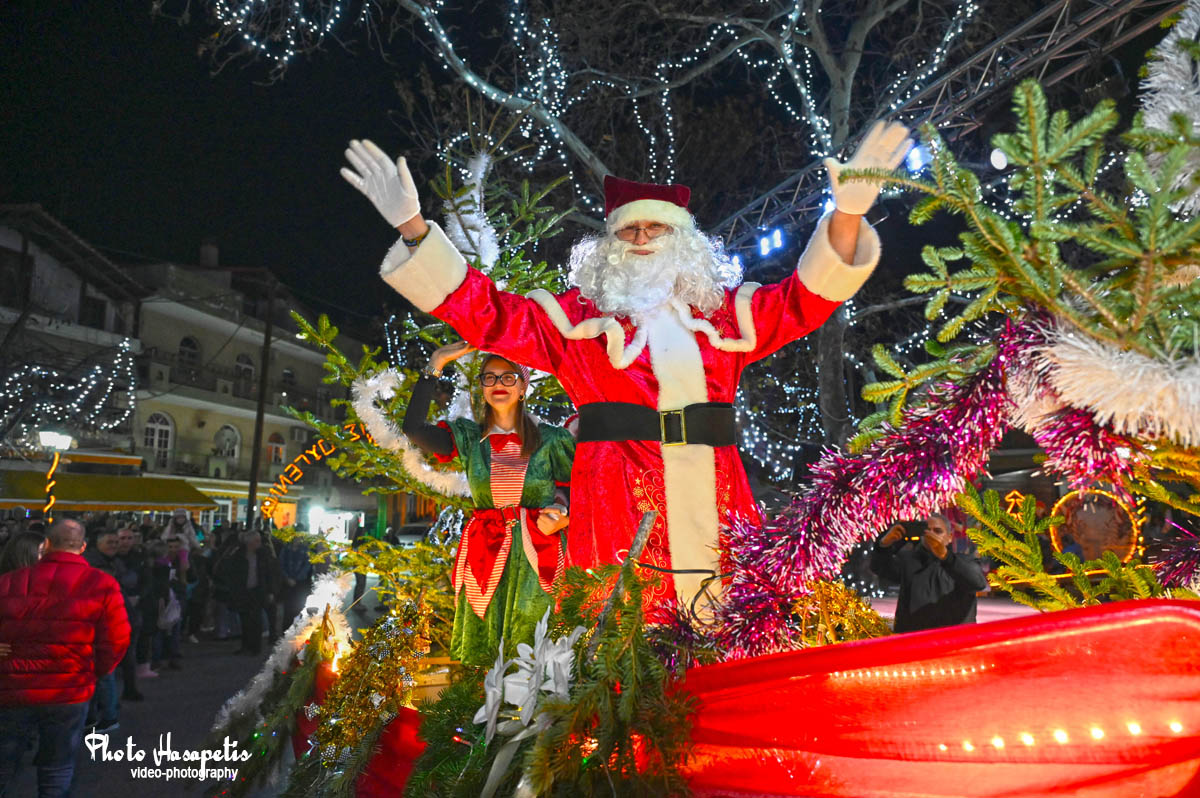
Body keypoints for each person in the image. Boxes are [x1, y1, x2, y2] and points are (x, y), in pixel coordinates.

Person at [341, 123, 911, 610]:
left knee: (728, 620)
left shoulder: (726, 317)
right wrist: (414, 229)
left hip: (719, 499)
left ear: (681, 238)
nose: (641, 238)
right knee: (622, 637)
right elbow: (489, 315)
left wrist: (848, 214)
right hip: (616, 503)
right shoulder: (577, 322)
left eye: (656, 227)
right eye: (629, 229)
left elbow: (806, 300)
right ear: (609, 242)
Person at [403, 343, 574, 665]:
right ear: (481, 387)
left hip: (538, 554)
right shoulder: (468, 439)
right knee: (485, 657)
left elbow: (584, 488)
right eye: (490, 378)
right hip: (485, 552)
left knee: (535, 650)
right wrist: (435, 364)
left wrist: (565, 516)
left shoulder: (552, 440)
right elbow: (413, 429)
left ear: (523, 387)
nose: (498, 384)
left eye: (509, 378)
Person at [0, 518, 130, 796]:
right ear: (82, 547)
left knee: (5, 760)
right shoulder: (101, 584)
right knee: (57, 767)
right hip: (68, 688)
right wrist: (94, 671)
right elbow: (117, 639)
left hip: (14, 686)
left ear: (46, 544)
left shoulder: (10, 582)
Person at [869, 513, 988, 633]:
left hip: (953, 643)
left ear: (949, 537)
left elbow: (978, 582)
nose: (931, 536)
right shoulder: (908, 562)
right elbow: (879, 567)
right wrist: (883, 545)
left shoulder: (965, 561)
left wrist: (946, 557)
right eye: (927, 531)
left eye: (937, 531)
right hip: (914, 643)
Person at [84, 530, 130, 728]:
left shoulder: (112, 562)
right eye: (109, 541)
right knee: (103, 673)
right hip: (103, 622)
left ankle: (106, 715)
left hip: (107, 623)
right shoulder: (96, 562)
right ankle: (101, 714)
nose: (114, 545)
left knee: (103, 673)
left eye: (115, 541)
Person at [224, 530, 280, 656]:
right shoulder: (239, 555)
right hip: (244, 590)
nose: (259, 543)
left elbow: (269, 574)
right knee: (244, 619)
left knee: (256, 620)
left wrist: (270, 591)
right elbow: (231, 571)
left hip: (258, 590)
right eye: (256, 541)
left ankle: (255, 647)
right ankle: (246, 645)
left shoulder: (263, 556)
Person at [278, 535, 313, 628]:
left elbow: (307, 567)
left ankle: (296, 631)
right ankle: (286, 631)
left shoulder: (305, 550)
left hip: (300, 584)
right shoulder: (286, 549)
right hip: (288, 583)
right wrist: (287, 578)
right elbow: (281, 565)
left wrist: (295, 579)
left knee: (299, 608)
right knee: (287, 609)